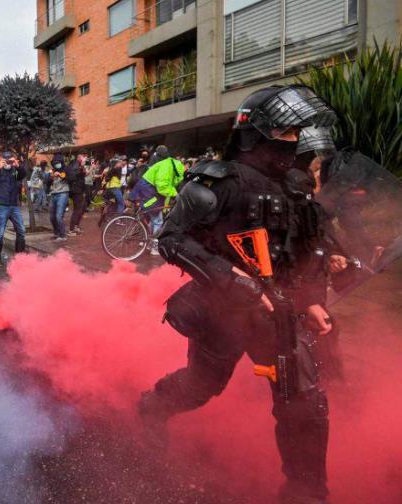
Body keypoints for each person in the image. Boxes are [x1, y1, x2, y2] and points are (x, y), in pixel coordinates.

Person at [139, 85, 340, 503]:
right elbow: (172, 240)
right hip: (223, 311)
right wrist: (239, 283)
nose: (293, 142)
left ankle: (305, 491)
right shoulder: (218, 182)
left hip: (278, 317)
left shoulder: (294, 189)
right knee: (201, 387)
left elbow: (296, 256)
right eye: (284, 133)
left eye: (295, 134)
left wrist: (312, 300)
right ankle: (151, 408)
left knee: (304, 404)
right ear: (254, 134)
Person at [133, 145, 185, 242]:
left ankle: (145, 240)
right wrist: (175, 194)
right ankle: (154, 246)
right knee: (157, 221)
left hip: (145, 188)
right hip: (149, 190)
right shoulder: (168, 166)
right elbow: (162, 186)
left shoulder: (167, 164)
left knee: (152, 218)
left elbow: (166, 185)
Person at [0, 151, 26, 266]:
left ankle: (19, 257)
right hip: (2, 205)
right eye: (6, 160)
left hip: (14, 205)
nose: (8, 163)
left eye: (10, 160)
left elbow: (23, 175)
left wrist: (18, 166)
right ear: (2, 160)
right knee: (0, 233)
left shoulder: (15, 171)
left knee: (21, 230)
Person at [48, 154, 70, 242]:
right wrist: (50, 176)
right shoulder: (52, 171)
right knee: (52, 217)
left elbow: (72, 178)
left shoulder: (66, 169)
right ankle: (56, 233)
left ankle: (62, 235)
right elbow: (47, 182)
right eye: (55, 163)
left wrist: (61, 175)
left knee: (58, 216)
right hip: (53, 194)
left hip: (63, 194)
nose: (57, 164)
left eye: (58, 162)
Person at [67, 155, 87, 235]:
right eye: (84, 156)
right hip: (77, 190)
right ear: (79, 157)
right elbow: (77, 174)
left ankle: (75, 227)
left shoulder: (76, 164)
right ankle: (71, 229)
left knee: (81, 208)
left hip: (77, 189)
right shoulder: (76, 165)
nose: (85, 158)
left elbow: (82, 174)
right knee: (77, 209)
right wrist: (82, 166)